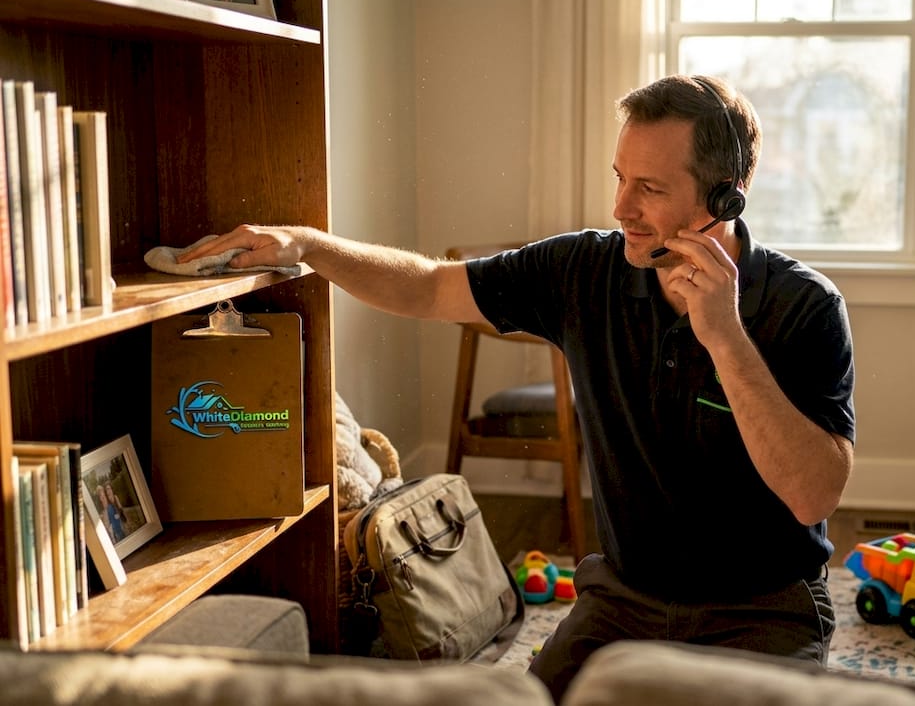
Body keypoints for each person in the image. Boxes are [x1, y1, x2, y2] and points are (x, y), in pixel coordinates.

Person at [180, 74, 855, 701]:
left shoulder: (805, 307)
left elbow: (813, 495)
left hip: (761, 607)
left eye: (649, 187)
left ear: (725, 197)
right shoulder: (584, 270)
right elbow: (428, 288)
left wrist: (726, 339)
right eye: (620, 178)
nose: (621, 207)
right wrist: (309, 245)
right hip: (625, 599)